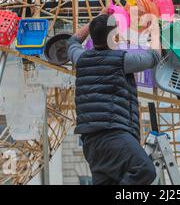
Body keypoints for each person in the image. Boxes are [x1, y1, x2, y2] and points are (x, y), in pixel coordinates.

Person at [67, 10, 161, 185]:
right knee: (144, 169)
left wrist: (96, 20)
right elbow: (154, 56)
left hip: (91, 143)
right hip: (113, 134)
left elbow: (73, 41)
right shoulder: (121, 61)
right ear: (114, 37)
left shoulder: (80, 58)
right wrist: (155, 31)